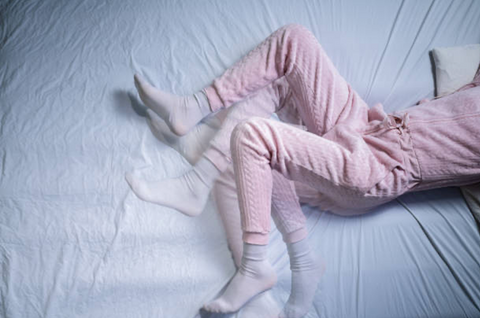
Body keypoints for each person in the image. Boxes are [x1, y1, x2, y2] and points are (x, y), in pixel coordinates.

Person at [126, 23, 480, 317]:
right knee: (293, 42)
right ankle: (194, 122)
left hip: (379, 168)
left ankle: (256, 266)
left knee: (254, 138)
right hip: (372, 124)